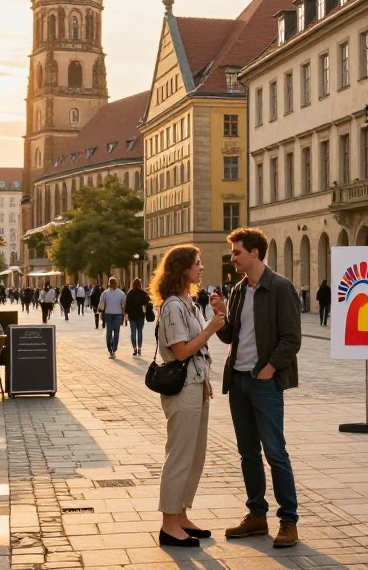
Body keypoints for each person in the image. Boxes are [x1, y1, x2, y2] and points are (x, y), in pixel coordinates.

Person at [211, 227, 302, 549]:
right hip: (237, 380)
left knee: (276, 452)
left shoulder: (280, 287)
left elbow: (292, 338)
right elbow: (232, 336)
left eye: (237, 253)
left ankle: (288, 521)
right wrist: (222, 316)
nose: (233, 258)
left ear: (254, 252)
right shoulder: (237, 290)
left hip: (263, 382)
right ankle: (257, 515)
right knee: (247, 452)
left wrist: (268, 370)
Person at [151, 245, 226, 548]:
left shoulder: (188, 302)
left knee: (195, 456)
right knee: (180, 457)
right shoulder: (172, 306)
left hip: (198, 385)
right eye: (197, 264)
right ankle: (169, 524)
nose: (201, 268)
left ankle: (181, 515)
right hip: (182, 389)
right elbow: (181, 350)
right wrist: (210, 329)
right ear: (182, 269)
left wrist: (219, 317)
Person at [99, 277, 127, 358]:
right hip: (117, 314)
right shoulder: (121, 294)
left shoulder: (105, 293)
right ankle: (113, 349)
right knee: (116, 332)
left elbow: (101, 304)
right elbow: (124, 305)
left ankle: (111, 349)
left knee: (110, 333)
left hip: (109, 314)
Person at [124, 278, 151, 357]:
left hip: (132, 316)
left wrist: (126, 313)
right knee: (140, 332)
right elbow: (148, 302)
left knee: (133, 333)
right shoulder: (143, 293)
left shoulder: (130, 293)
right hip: (140, 315)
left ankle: (134, 349)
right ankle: (139, 348)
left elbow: (127, 304)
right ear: (140, 284)